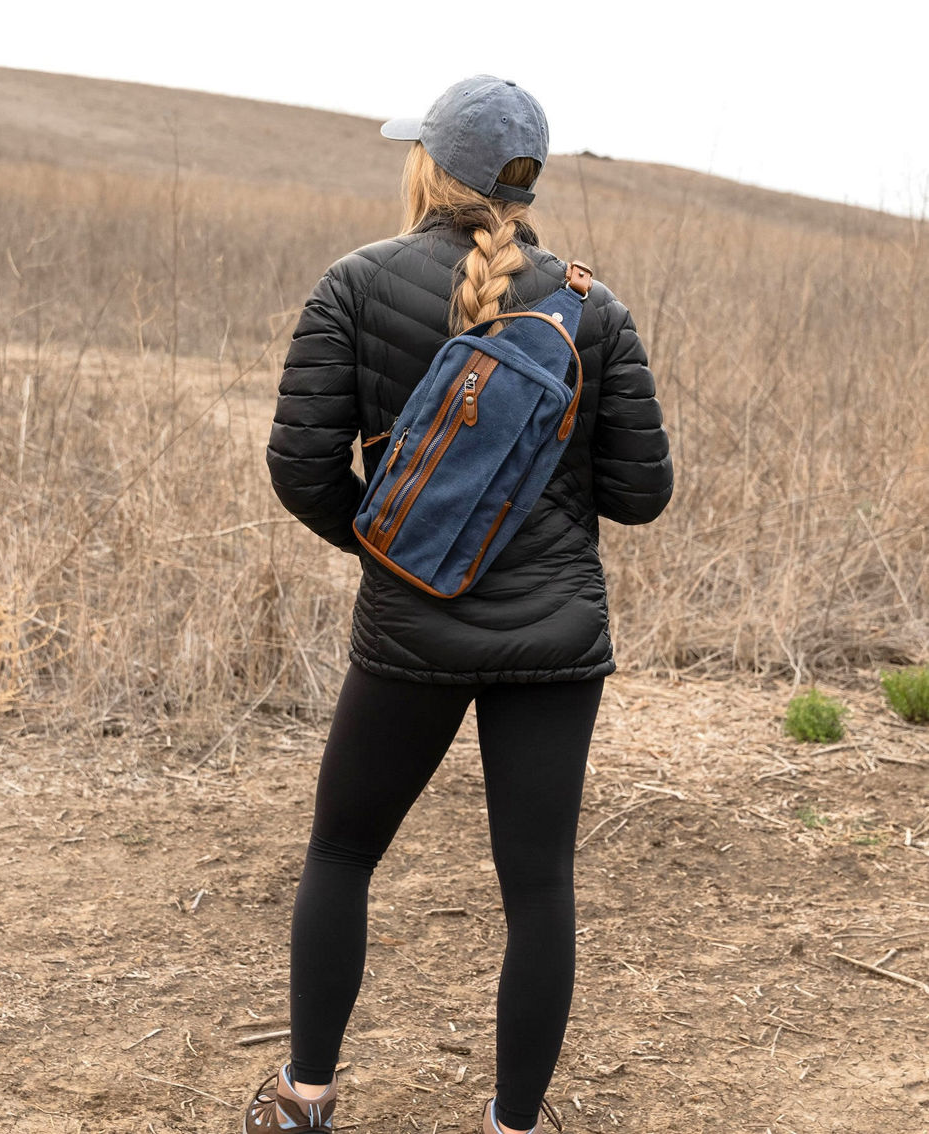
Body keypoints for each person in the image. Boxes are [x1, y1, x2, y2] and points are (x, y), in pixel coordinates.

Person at [242, 75, 673, 1134]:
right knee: (539, 890)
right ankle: (514, 1124)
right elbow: (640, 493)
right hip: (558, 639)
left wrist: (399, 549)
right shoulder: (593, 305)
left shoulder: (353, 285)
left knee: (344, 853)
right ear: (527, 181)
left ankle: (305, 1098)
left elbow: (301, 468)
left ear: (429, 166)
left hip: (408, 632)